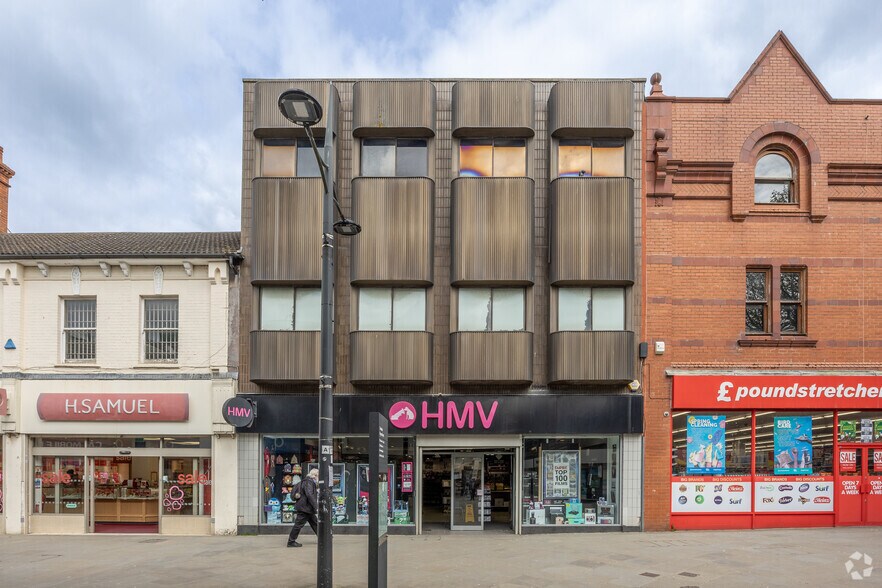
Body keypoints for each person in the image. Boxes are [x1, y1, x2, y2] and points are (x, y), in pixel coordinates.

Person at [287, 468, 319, 547]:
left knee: (315, 523)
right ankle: (291, 542)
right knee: (298, 525)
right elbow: (309, 494)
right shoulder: (309, 482)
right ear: (315, 476)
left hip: (307, 508)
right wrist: (316, 506)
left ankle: (323, 538)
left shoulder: (306, 481)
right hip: (305, 508)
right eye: (318, 476)